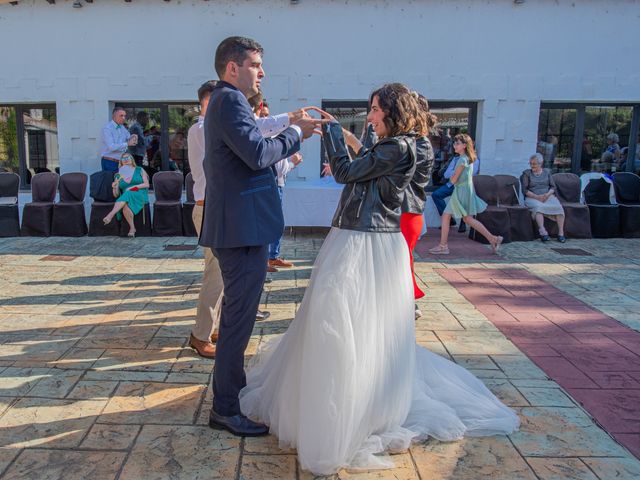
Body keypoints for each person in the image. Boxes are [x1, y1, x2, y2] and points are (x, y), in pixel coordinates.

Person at [240, 84, 519, 475]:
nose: (370, 116)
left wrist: (334, 133)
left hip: (363, 241)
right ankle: (351, 397)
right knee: (354, 322)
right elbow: (367, 162)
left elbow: (344, 172)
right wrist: (346, 136)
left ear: (392, 110)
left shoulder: (399, 147)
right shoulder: (405, 144)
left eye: (373, 109)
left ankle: (347, 409)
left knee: (338, 318)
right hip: (373, 239)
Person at [200, 36, 322, 437]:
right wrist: (297, 133)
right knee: (238, 320)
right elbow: (257, 154)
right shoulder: (230, 100)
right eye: (255, 64)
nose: (262, 72)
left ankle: (231, 393)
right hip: (240, 229)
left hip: (240, 226)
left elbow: (251, 144)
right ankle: (225, 408)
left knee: (240, 316)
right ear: (232, 68)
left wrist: (289, 121)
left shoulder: (226, 102)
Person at [429, 134, 502, 255]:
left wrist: (452, 178)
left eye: (457, 143)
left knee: (449, 216)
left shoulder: (462, 159)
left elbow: (453, 179)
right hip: (464, 191)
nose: (454, 146)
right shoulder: (467, 158)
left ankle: (443, 246)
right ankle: (493, 238)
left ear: (464, 145)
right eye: (454, 143)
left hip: (461, 192)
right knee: (466, 219)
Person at [431, 149, 481, 233]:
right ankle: (449, 220)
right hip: (452, 185)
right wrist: (459, 171)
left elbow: (472, 173)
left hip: (463, 186)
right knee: (436, 195)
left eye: (458, 144)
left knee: (462, 200)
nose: (455, 147)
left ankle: (463, 222)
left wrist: (455, 172)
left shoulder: (474, 159)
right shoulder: (456, 159)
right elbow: (446, 174)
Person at [521, 152, 567, 243]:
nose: (532, 165)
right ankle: (543, 232)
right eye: (530, 163)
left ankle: (561, 233)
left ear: (540, 163)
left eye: (534, 163)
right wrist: (536, 197)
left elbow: (553, 187)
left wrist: (547, 195)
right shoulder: (527, 174)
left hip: (547, 196)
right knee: (538, 208)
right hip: (532, 197)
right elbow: (524, 190)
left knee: (559, 207)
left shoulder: (547, 172)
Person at [102, 153, 149, 237]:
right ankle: (132, 228)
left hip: (139, 192)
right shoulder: (119, 175)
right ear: (121, 162)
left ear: (132, 159)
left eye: (128, 157)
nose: (126, 159)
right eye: (123, 158)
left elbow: (146, 185)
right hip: (126, 197)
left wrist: (133, 187)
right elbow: (116, 195)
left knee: (128, 193)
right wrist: (114, 187)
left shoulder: (139, 170)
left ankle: (111, 215)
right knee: (125, 205)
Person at [100, 107, 138, 172]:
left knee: (121, 182)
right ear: (114, 116)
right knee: (110, 182)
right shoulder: (107, 129)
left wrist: (133, 136)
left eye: (124, 116)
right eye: (121, 116)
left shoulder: (122, 127)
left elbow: (128, 137)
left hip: (121, 162)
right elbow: (111, 147)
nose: (123, 118)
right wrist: (127, 143)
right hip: (110, 162)